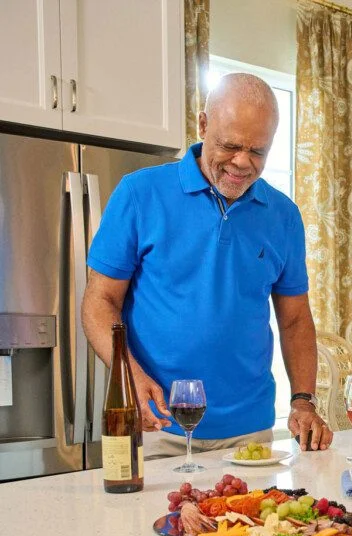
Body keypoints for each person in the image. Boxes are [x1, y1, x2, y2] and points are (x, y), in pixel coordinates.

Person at [81, 73, 332, 456]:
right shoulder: (139, 193)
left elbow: (295, 318)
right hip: (157, 424)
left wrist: (302, 399)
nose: (242, 162)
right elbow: (99, 301)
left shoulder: (284, 215)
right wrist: (131, 375)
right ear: (202, 125)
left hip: (249, 430)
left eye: (258, 151)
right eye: (230, 145)